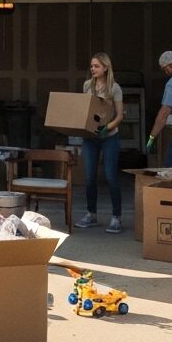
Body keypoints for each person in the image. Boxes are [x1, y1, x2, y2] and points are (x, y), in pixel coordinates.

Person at [74, 53, 125, 233]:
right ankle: (91, 214)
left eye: (96, 66)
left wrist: (107, 127)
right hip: (90, 137)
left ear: (105, 67)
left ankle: (116, 217)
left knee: (111, 176)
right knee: (89, 178)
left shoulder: (114, 88)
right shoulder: (87, 86)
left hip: (109, 136)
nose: (92, 69)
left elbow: (119, 116)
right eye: (91, 66)